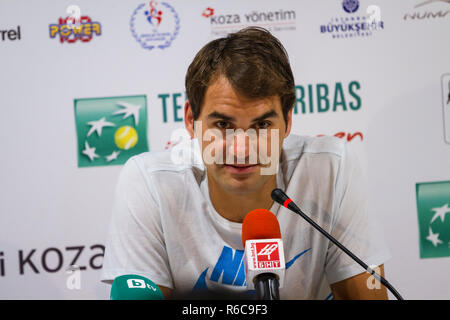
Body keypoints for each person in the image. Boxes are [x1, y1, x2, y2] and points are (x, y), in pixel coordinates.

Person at [101, 27, 390, 300]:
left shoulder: (330, 168)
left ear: (287, 122)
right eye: (223, 124)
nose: (241, 150)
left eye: (261, 124)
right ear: (191, 121)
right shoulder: (151, 183)